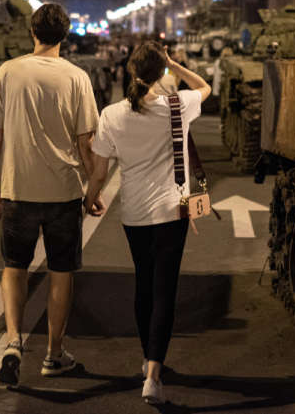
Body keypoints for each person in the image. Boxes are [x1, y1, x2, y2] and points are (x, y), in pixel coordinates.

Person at [84, 41, 211, 405]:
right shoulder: (178, 106)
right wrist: (176, 65)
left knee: (144, 283)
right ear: (162, 73)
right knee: (164, 290)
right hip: (173, 211)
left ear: (129, 71)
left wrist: (90, 196)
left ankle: (146, 358)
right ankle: (154, 374)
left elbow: (100, 169)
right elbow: (204, 86)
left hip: (134, 213)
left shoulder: (111, 115)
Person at [0, 2, 99, 388]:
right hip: (64, 193)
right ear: (65, 36)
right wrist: (93, 189)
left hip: (17, 189)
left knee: (14, 267)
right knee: (61, 272)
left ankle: (13, 342)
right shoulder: (77, 78)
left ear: (32, 32)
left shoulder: (8, 71)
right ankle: (53, 354)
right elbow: (87, 143)